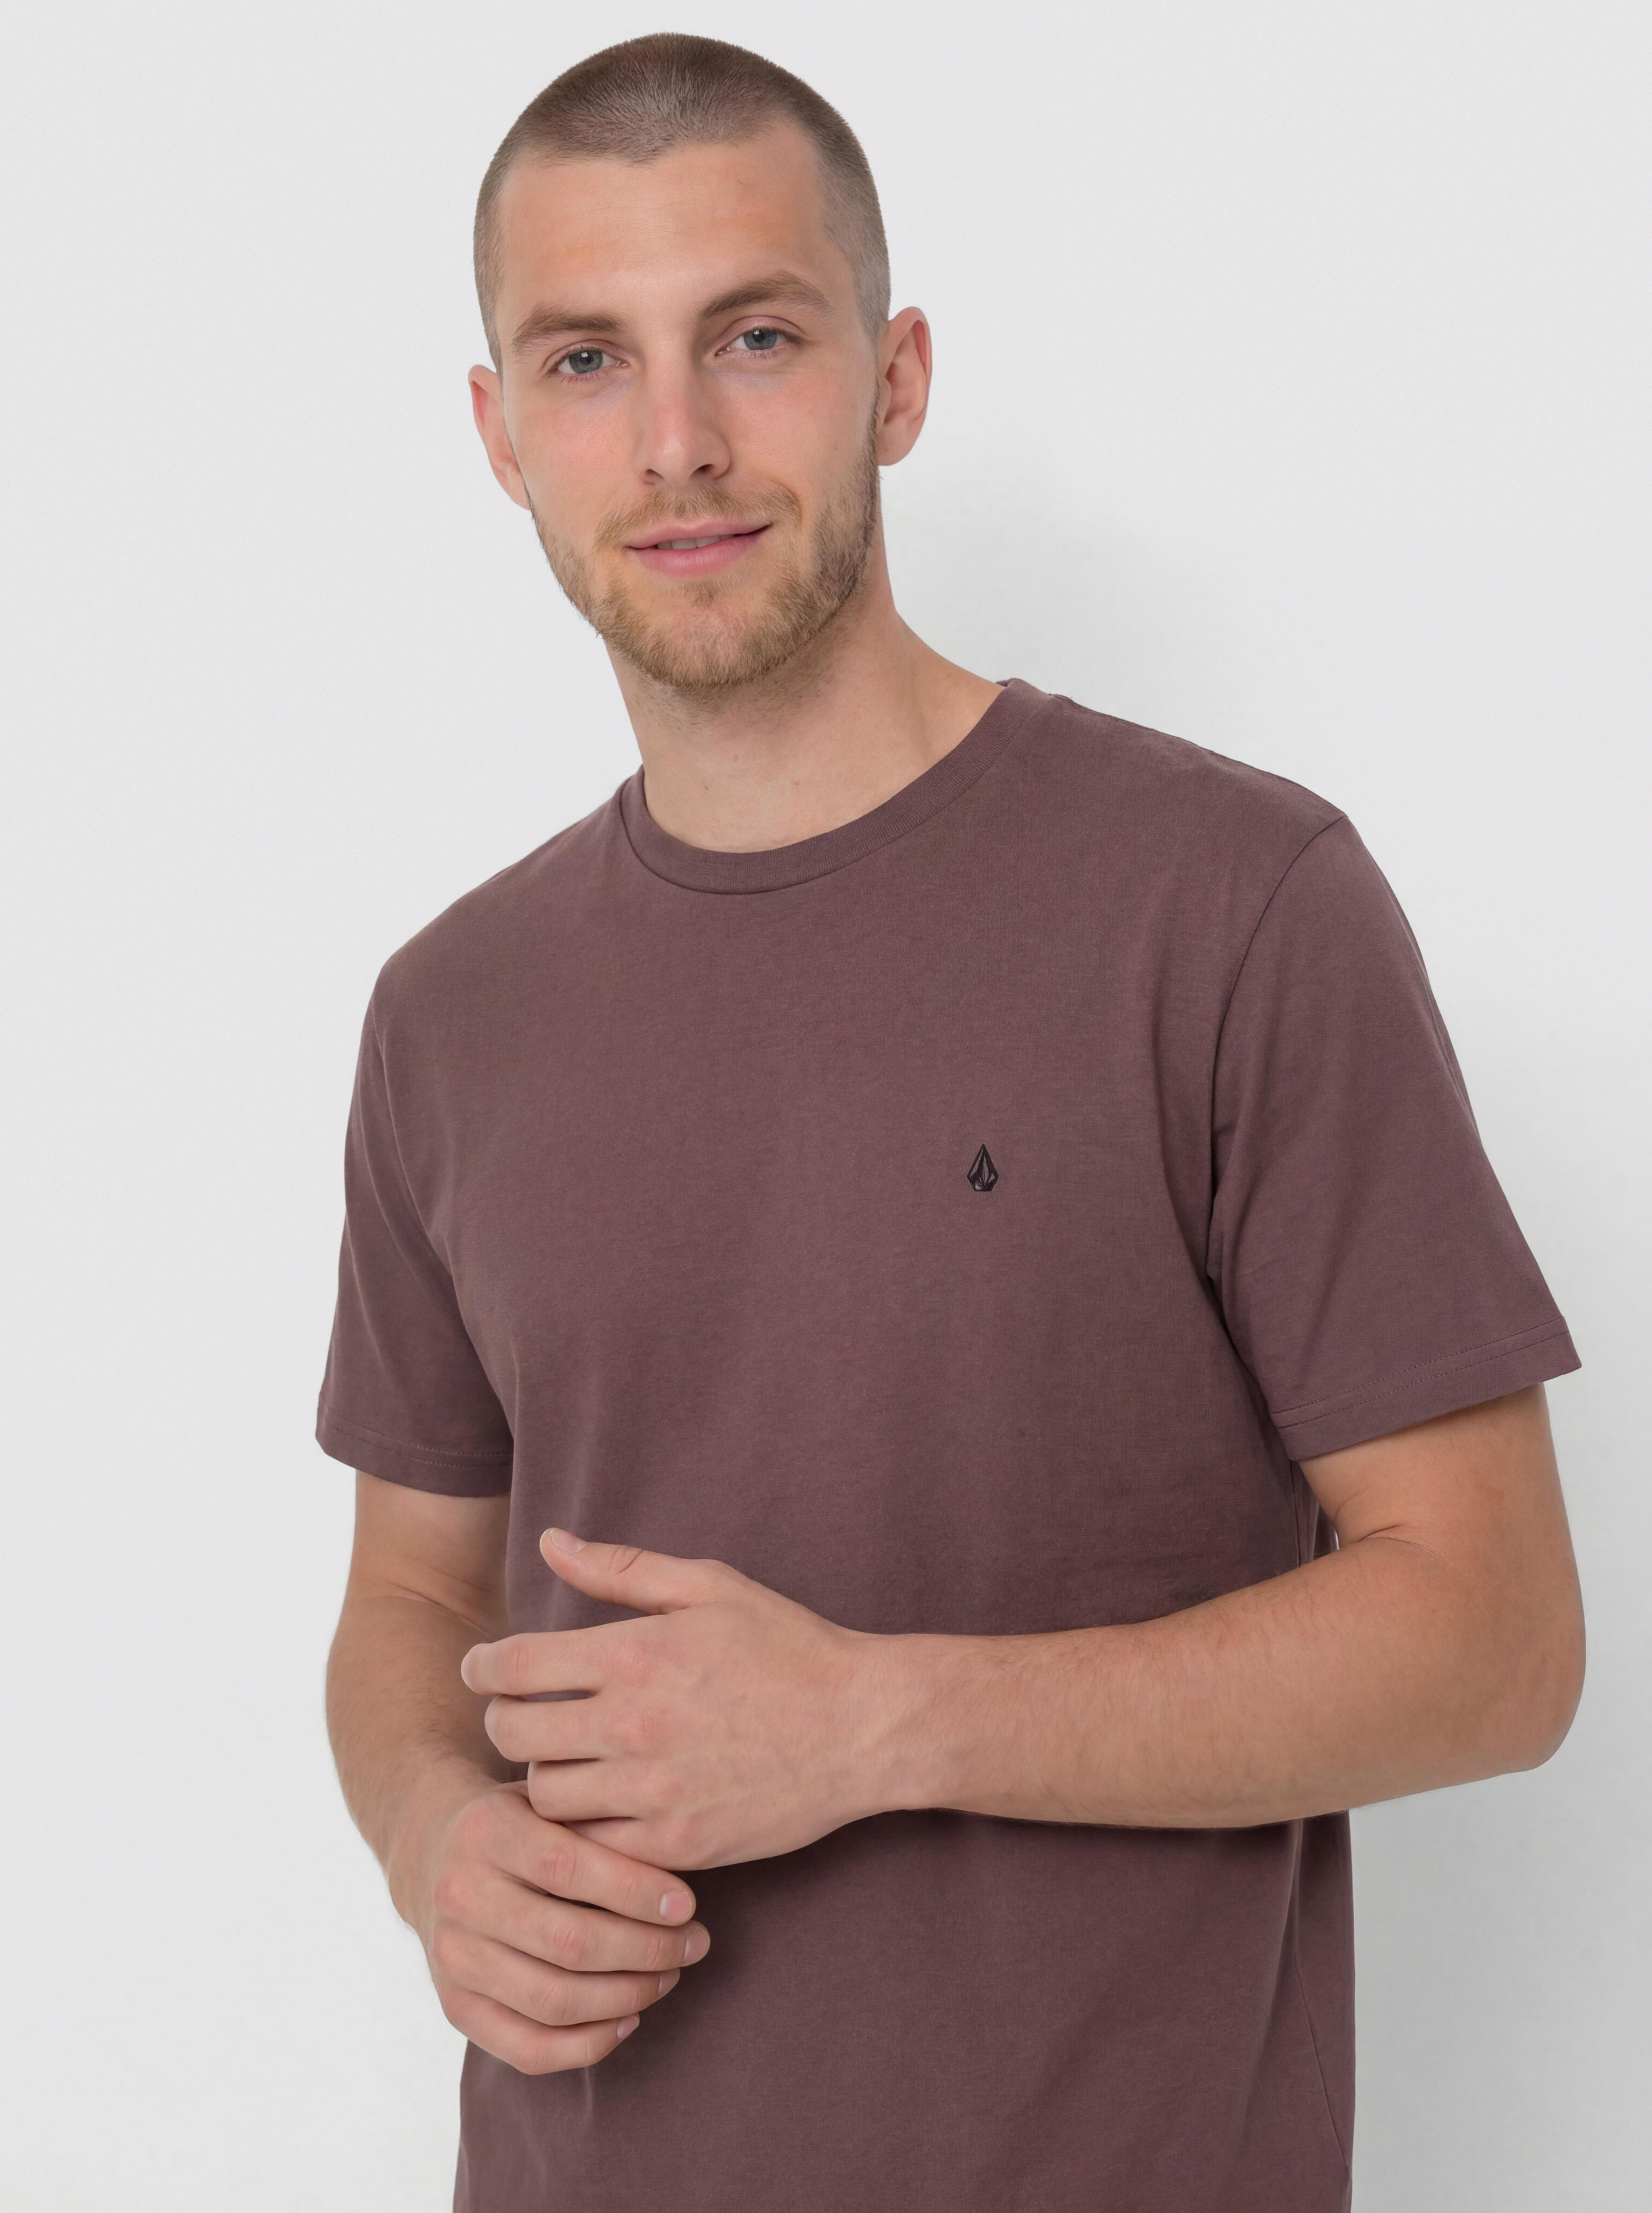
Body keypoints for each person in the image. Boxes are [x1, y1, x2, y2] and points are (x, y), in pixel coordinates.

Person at [317, 33, 1585, 2213]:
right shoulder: (450, 1014)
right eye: (586, 360)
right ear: (500, 433)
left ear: (893, 381)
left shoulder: (1231, 906)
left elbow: (1495, 1639)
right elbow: (409, 1595)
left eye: (755, 336)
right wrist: (438, 1837)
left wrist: (875, 1726)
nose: (677, 439)